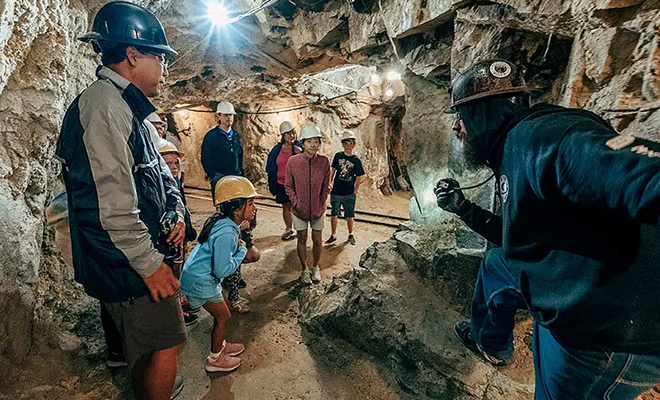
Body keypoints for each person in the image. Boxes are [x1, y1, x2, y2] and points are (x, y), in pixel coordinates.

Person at [435, 58, 660, 399]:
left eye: (460, 119)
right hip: (575, 285)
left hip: (606, 336)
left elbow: (635, 173)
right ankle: (492, 342)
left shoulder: (543, 137)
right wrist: (463, 209)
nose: (458, 130)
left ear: (478, 114)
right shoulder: (514, 148)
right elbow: (518, 240)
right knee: (498, 264)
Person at [55, 2, 186, 399]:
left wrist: (176, 211)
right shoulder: (104, 107)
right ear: (132, 55)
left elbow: (155, 175)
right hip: (127, 264)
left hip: (132, 257)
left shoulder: (126, 108)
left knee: (148, 346)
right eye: (159, 57)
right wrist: (150, 265)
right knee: (165, 342)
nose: (165, 68)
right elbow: (108, 204)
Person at [180, 176, 260, 372]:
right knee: (223, 316)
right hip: (202, 280)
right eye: (250, 203)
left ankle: (221, 345)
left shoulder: (223, 222)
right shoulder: (227, 233)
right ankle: (214, 359)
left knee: (223, 309)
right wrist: (241, 249)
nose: (254, 208)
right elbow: (223, 270)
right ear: (236, 208)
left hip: (199, 275)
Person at [157, 140, 199, 325]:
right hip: (170, 240)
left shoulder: (175, 182)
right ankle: (176, 316)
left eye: (176, 163)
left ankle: (178, 306)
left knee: (178, 273)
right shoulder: (160, 188)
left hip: (179, 238)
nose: (174, 167)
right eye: (168, 164)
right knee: (172, 276)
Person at [284, 123, 331, 284]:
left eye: (316, 141)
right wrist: (295, 202)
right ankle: (304, 269)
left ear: (319, 143)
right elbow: (288, 186)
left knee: (317, 239)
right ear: (302, 143)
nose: (313, 144)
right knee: (302, 238)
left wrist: (321, 201)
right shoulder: (293, 161)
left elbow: (326, 186)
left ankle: (316, 267)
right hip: (299, 210)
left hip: (318, 209)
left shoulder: (324, 162)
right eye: (309, 141)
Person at [326, 130, 365, 246]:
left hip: (348, 192)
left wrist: (355, 191)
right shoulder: (338, 156)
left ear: (354, 144)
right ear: (343, 144)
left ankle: (350, 233)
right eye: (345, 143)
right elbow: (333, 170)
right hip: (337, 190)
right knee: (334, 213)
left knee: (349, 214)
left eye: (350, 143)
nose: (348, 146)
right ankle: (333, 235)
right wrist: (330, 182)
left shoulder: (356, 161)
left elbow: (359, 176)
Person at [266, 120, 302, 241]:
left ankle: (300, 229)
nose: (291, 135)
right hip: (282, 183)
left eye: (292, 132)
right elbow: (270, 166)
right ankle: (288, 228)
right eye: (288, 133)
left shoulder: (299, 148)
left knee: (297, 206)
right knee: (286, 206)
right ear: (283, 136)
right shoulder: (277, 149)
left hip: (295, 184)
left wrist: (301, 154)